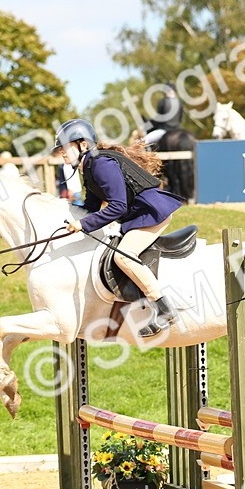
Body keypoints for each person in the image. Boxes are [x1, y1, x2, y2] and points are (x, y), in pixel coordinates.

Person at [53, 118, 184, 338]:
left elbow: (117, 206)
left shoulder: (101, 164)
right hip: (139, 214)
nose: (61, 153)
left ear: (83, 145)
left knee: (123, 256)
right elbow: (91, 207)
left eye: (65, 147)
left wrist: (82, 224)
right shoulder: (90, 167)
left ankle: (164, 308)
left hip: (152, 213)